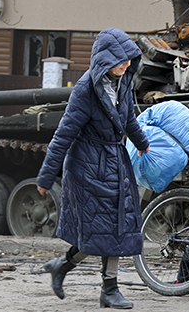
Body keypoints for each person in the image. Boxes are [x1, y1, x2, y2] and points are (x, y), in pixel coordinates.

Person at [35, 27, 150, 309]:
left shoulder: (122, 82)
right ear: (105, 59)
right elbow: (63, 134)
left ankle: (63, 266)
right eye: (120, 59)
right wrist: (46, 176)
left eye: (128, 59)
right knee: (106, 228)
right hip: (88, 166)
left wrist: (142, 143)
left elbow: (129, 119)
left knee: (115, 227)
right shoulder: (86, 90)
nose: (126, 64)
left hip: (114, 161)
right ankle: (108, 290)